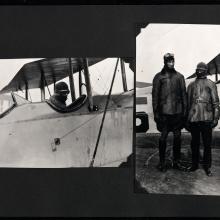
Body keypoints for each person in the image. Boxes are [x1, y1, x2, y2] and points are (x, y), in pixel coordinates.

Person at [152, 53, 187, 172]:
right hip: (164, 115)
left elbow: (184, 95)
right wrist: (156, 113)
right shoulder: (158, 77)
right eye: (169, 61)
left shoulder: (180, 77)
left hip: (177, 114)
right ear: (165, 62)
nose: (171, 63)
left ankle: (176, 162)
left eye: (172, 61)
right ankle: (162, 162)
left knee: (177, 137)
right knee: (162, 138)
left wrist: (185, 112)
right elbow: (155, 96)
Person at [186, 62, 220, 176]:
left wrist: (215, 118)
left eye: (201, 69)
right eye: (197, 69)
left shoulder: (211, 84)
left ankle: (207, 166)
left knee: (207, 144)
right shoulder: (190, 85)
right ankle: (194, 165)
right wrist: (187, 119)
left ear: (205, 71)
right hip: (194, 118)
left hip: (207, 118)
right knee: (194, 143)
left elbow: (216, 103)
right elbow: (188, 104)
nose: (198, 71)